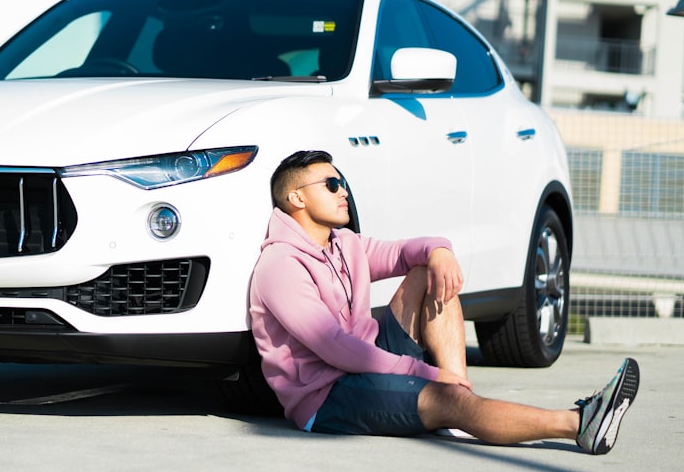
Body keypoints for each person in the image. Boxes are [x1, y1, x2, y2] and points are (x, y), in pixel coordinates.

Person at [248, 150, 639, 455]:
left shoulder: (344, 244)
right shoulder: (280, 265)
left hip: (366, 359)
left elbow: (404, 253)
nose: (343, 191)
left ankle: (455, 401)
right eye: (330, 184)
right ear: (296, 197)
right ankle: (578, 423)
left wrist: (439, 251)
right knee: (448, 396)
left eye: (342, 182)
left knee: (427, 274)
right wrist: (428, 375)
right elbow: (336, 348)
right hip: (328, 396)